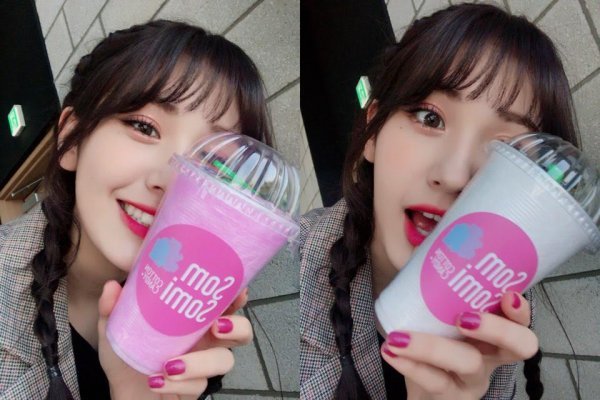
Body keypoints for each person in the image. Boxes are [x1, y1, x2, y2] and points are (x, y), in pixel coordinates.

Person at [298, 3, 579, 400]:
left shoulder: (498, 314)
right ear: (373, 133)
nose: (455, 176)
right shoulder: (292, 265)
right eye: (430, 118)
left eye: (505, 151)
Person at [0, 20, 273, 399]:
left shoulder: (186, 327)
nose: (173, 180)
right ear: (72, 138)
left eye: (215, 164)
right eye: (144, 128)